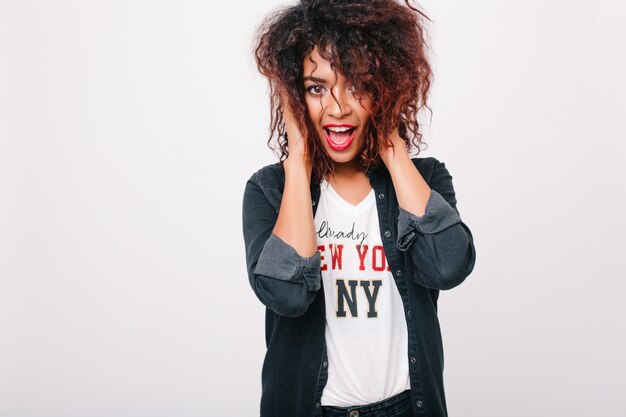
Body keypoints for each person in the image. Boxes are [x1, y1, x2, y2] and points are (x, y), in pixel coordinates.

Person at [242, 1, 477, 416]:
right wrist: (297, 158)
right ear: (297, 97)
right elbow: (286, 295)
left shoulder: (426, 179)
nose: (338, 108)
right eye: (316, 88)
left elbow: (448, 267)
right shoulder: (270, 190)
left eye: (359, 85)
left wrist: (391, 142)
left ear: (386, 88)